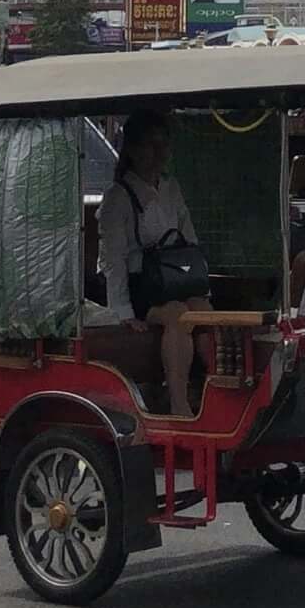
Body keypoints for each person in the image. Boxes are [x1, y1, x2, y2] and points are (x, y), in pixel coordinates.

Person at [96, 113, 203, 413]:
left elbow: (189, 238)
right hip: (140, 286)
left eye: (163, 145)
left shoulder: (171, 187)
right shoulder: (119, 197)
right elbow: (113, 260)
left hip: (172, 280)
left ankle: (212, 395)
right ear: (132, 149)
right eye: (150, 145)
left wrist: (197, 281)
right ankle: (179, 404)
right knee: (179, 315)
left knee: (207, 313)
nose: (158, 153)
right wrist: (124, 312)